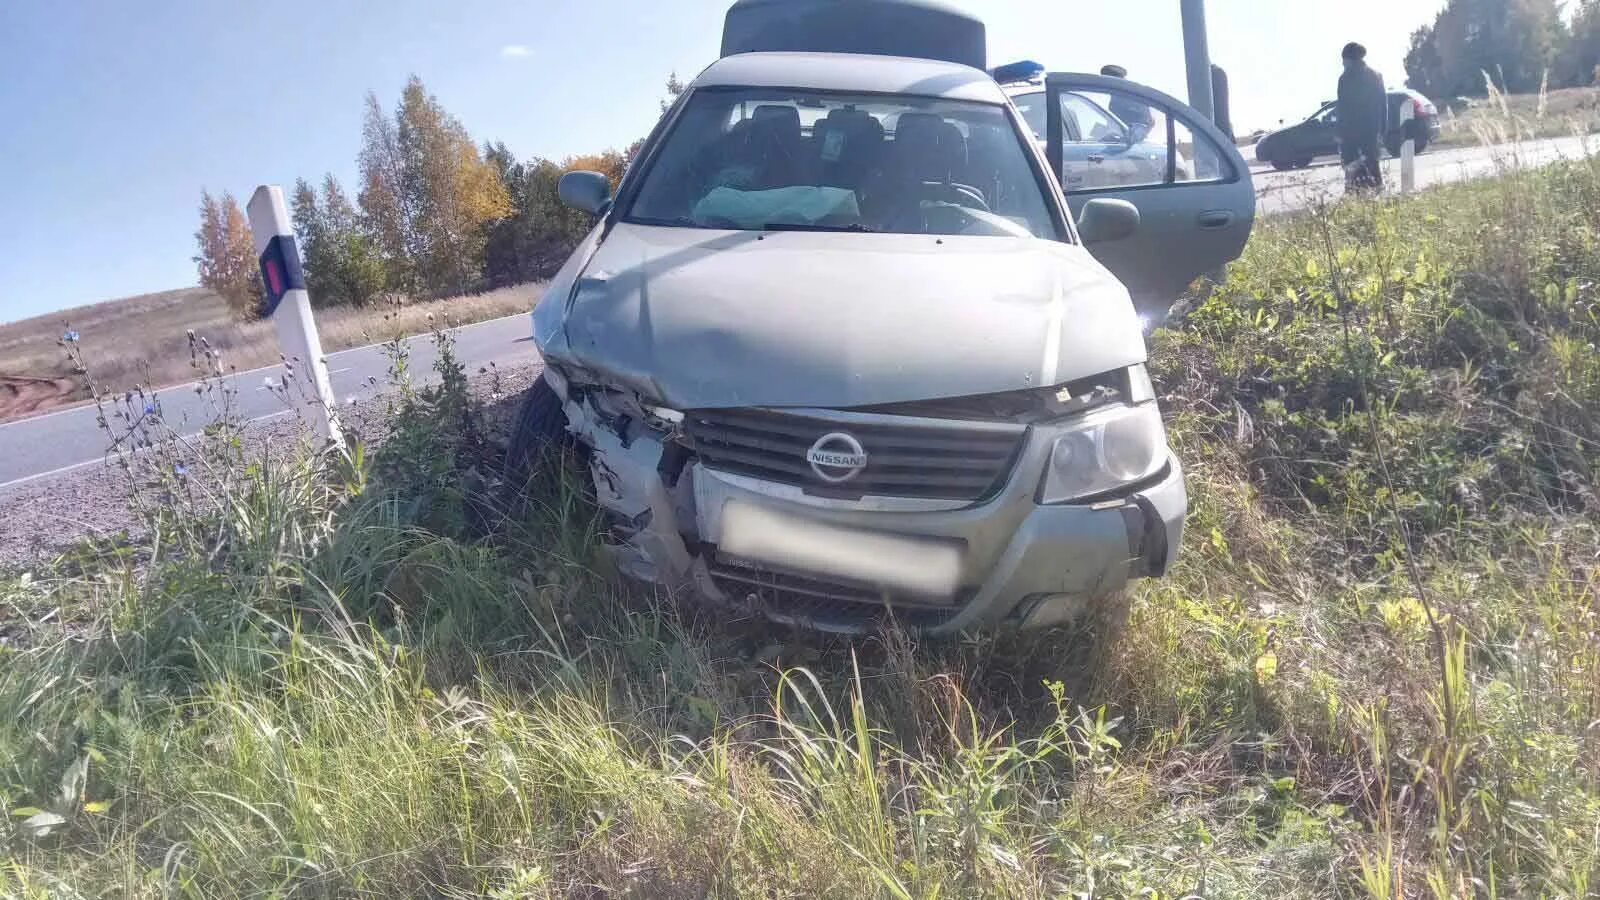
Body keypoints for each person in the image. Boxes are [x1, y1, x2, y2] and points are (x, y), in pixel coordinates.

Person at [1336, 42, 1387, 194]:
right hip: (1371, 131)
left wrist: (1339, 133)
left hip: (1351, 133)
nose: (1343, 63)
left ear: (1350, 59)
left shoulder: (1345, 79)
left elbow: (1342, 108)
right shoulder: (1376, 76)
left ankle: (1356, 199)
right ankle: (1378, 197)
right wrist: (1382, 130)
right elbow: (1383, 106)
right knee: (1373, 166)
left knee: (1352, 169)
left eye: (1344, 59)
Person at [1101, 64, 1155, 143]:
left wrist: (1128, 138)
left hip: (1129, 144)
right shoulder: (1116, 97)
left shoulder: (1132, 97)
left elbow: (1148, 122)